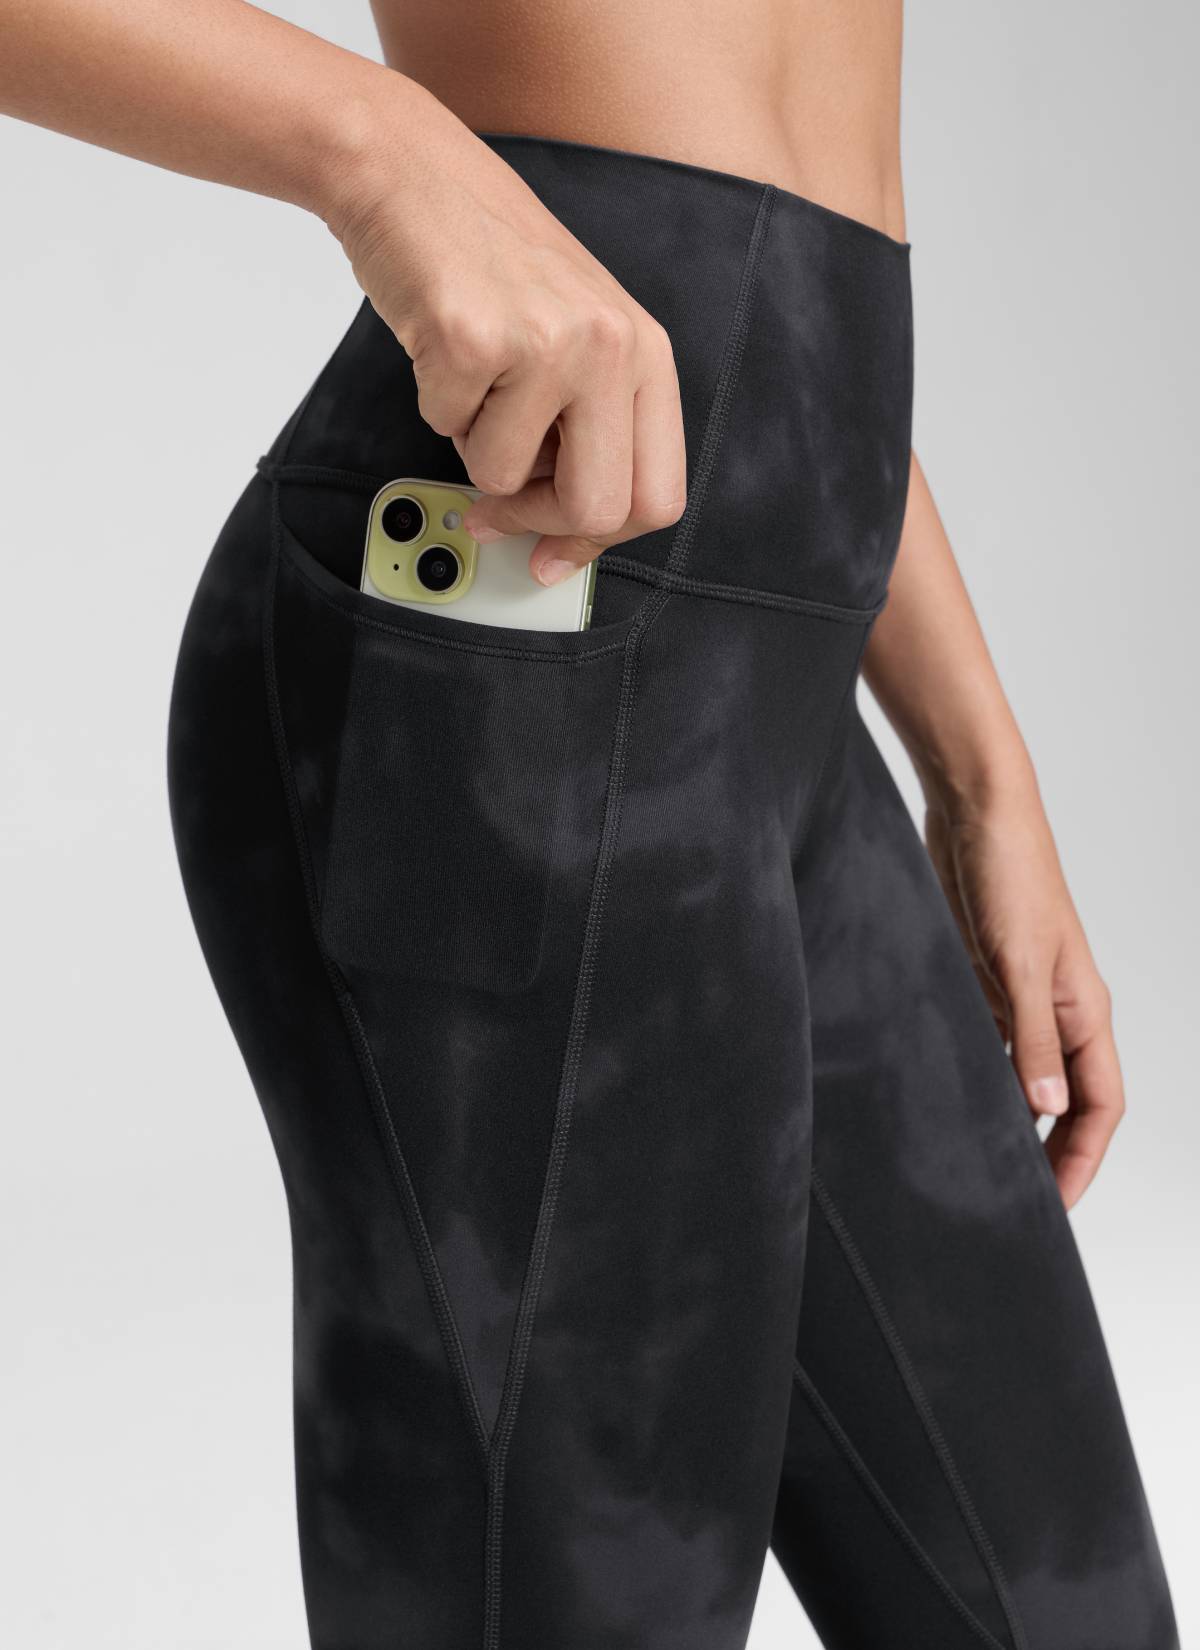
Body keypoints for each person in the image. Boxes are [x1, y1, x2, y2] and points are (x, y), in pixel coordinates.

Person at [2, 3, 1179, 1647]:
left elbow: (775, 248)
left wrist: (984, 768)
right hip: (501, 666)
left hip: (779, 705)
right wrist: (379, 149)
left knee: (1066, 1607)